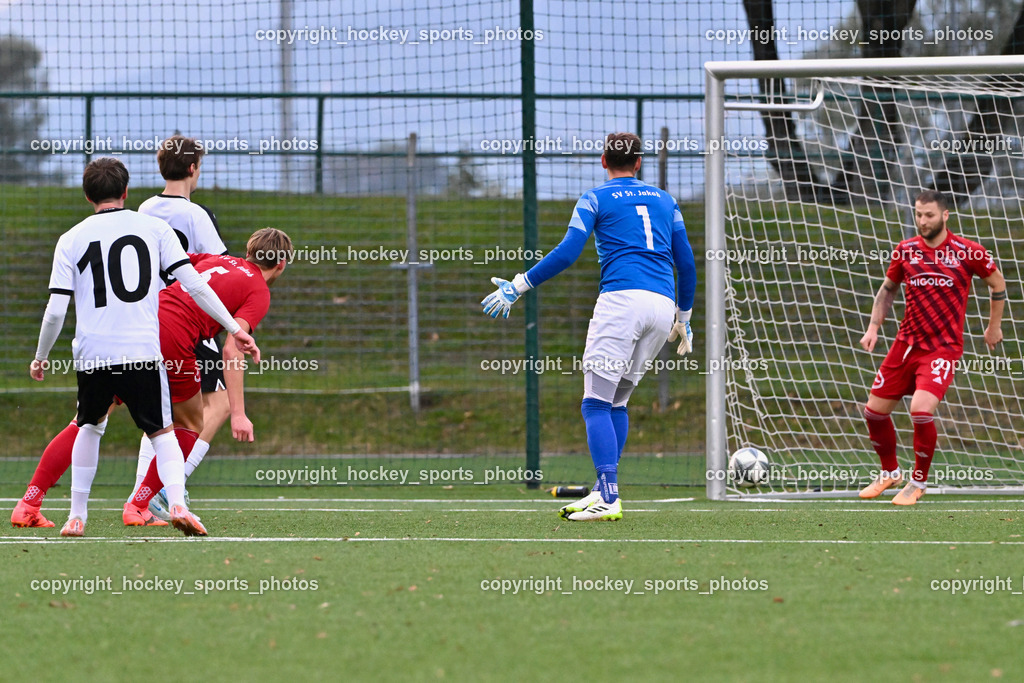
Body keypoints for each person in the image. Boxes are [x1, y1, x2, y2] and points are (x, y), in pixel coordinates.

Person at [28, 157, 259, 537]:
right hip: (142, 350)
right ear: (126, 192)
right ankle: (179, 503)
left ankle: (76, 516)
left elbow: (55, 311)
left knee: (88, 427)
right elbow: (196, 285)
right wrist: (235, 327)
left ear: (88, 196)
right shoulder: (153, 228)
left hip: (93, 353)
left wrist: (40, 357)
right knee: (163, 431)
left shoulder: (70, 239)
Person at [481, 132, 696, 521]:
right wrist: (684, 318)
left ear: (603, 161)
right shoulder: (667, 201)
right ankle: (601, 489)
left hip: (621, 303)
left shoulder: (595, 198)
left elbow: (567, 252)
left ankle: (610, 498)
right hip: (662, 306)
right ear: (639, 163)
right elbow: (687, 263)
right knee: (618, 402)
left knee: (595, 402)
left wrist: (518, 286)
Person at [12, 229, 291, 529]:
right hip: (174, 338)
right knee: (189, 424)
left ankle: (29, 502)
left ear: (248, 252)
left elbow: (165, 262)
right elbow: (232, 347)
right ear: (281, 264)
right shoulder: (259, 292)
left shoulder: (215, 260)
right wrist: (238, 413)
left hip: (138, 324)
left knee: (87, 421)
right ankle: (139, 504)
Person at [858, 190, 1005, 505]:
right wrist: (873, 327)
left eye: (929, 215)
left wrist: (994, 326)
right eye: (918, 214)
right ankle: (889, 472)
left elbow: (998, 283)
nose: (923, 221)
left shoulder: (969, 251)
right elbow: (888, 290)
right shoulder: (906, 250)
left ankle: (917, 481)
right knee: (873, 412)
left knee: (921, 411)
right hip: (905, 345)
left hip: (943, 348)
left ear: (945, 215)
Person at [138, 135, 232, 504]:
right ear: (193, 168)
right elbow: (221, 266)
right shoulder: (197, 215)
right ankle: (165, 488)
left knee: (160, 415)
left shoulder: (144, 209)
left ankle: (143, 495)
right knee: (219, 404)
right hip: (187, 319)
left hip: (149, 318)